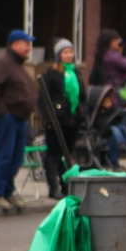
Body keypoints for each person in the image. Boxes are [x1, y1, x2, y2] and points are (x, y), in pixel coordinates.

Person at [0, 29, 38, 212]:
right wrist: (2, 113)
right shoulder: (2, 63)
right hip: (5, 117)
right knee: (4, 154)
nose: (29, 47)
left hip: (19, 118)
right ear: (14, 44)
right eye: (26, 43)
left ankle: (7, 190)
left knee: (16, 157)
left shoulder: (17, 64)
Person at [37, 39, 85, 198]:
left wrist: (82, 114)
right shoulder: (51, 75)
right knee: (53, 154)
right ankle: (53, 187)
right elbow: (44, 99)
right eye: (65, 52)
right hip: (56, 120)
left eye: (71, 52)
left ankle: (66, 186)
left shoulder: (75, 73)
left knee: (67, 154)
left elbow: (82, 96)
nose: (69, 55)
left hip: (72, 120)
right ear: (59, 55)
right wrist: (49, 118)